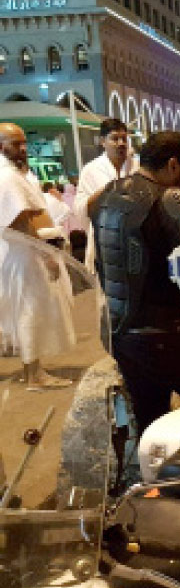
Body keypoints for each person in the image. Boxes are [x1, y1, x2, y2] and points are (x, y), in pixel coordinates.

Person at [89, 131, 180, 433]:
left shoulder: (103, 195)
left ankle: (151, 478)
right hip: (168, 336)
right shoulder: (174, 199)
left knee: (149, 425)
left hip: (120, 333)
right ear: (173, 165)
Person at [0, 123, 74, 389]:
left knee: (30, 311)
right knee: (29, 313)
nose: (22, 148)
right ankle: (34, 375)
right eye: (15, 144)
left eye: (23, 143)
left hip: (23, 253)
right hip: (25, 254)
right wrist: (47, 255)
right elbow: (21, 222)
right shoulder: (7, 177)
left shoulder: (13, 174)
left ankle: (34, 370)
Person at [76, 118, 136, 271]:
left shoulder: (137, 166)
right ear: (103, 141)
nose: (121, 143)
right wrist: (109, 189)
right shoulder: (91, 170)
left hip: (134, 237)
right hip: (104, 237)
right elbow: (80, 208)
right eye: (115, 138)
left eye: (124, 138)